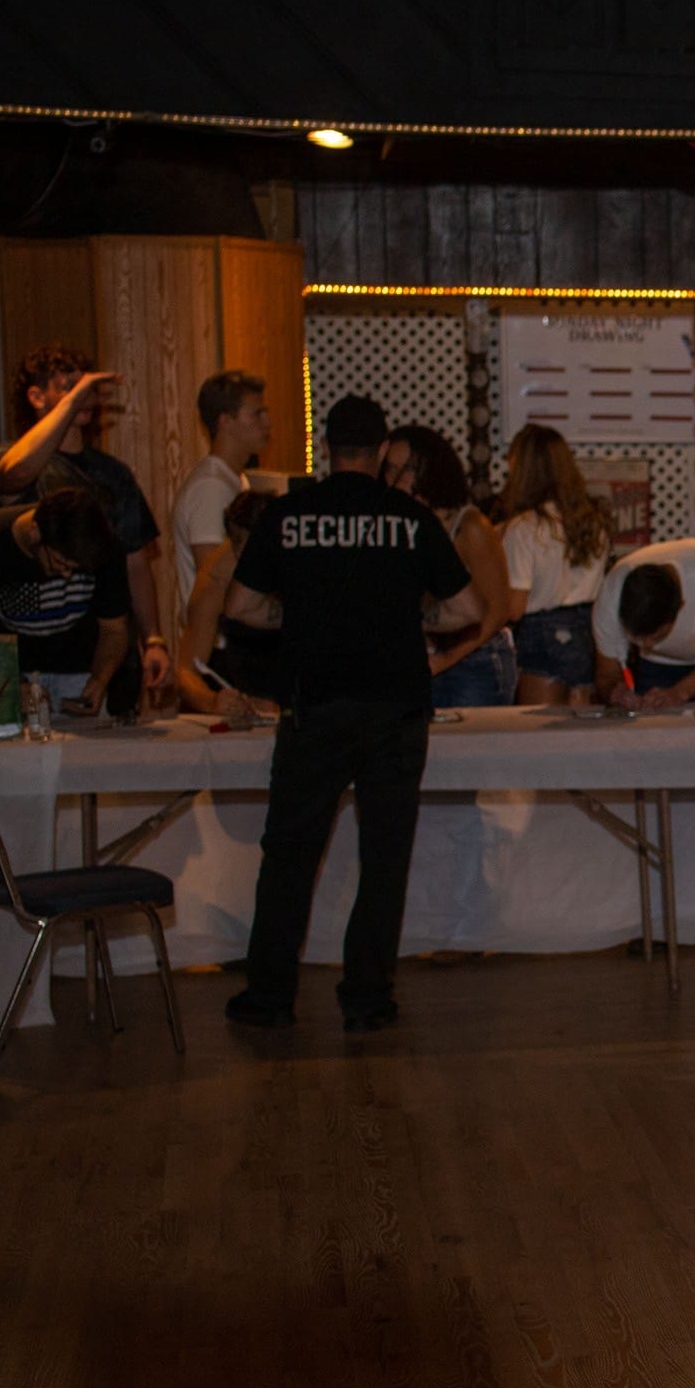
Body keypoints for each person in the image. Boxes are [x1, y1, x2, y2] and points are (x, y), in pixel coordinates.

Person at [221, 393, 499, 1033]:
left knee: (290, 855)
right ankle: (368, 997)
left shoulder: (288, 515)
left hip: (313, 706)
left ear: (325, 448)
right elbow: (467, 610)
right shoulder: (409, 517)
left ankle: (268, 997)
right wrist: (406, 617)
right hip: (396, 708)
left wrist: (300, 616)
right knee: (384, 857)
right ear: (380, 452)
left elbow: (239, 606)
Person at [0, 344, 165, 703]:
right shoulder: (6, 457)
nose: (84, 396)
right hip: (20, 663)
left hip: (90, 658)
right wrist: (70, 402)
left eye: (87, 387)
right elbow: (14, 474)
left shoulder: (112, 474)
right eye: (69, 387)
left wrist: (154, 640)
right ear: (37, 396)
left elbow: (135, 562)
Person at [0, 484, 133, 713]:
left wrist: (100, 679)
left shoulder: (102, 543)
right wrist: (3, 685)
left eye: (76, 569)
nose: (67, 575)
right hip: (4, 676)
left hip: (80, 673)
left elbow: (114, 629)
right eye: (61, 563)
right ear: (35, 533)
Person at [380, 424, 517, 707]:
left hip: (474, 661)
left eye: (409, 468)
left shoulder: (469, 526)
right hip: (422, 658)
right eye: (391, 469)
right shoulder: (398, 526)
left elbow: (498, 611)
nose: (399, 479)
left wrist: (444, 660)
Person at [498, 424, 616, 704]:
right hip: (589, 628)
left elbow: (515, 607)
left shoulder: (524, 527)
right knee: (580, 725)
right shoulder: (592, 520)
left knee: (537, 729)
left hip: (540, 631)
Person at [595, 536, 695, 705]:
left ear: (680, 607)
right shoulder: (611, 596)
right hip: (659, 664)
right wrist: (616, 693)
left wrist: (680, 692)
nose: (647, 645)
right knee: (650, 719)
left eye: (656, 636)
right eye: (638, 638)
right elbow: (607, 674)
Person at [170, 369, 274, 624]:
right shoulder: (211, 487)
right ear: (225, 421)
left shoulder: (233, 479)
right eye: (256, 413)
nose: (267, 422)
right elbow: (214, 579)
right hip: (219, 640)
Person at [172, 490, 286, 719]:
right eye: (239, 545)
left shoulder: (304, 561)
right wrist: (213, 701)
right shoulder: (217, 578)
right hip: (243, 696)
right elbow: (185, 672)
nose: (252, 558)